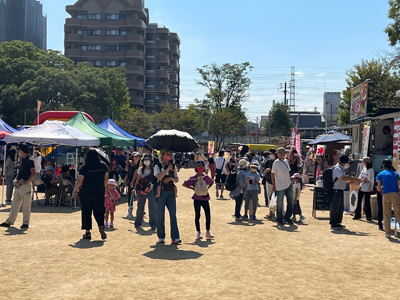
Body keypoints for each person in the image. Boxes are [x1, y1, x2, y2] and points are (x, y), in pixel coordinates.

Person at [72, 149, 109, 240]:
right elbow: (106, 179)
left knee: (86, 211)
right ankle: (101, 225)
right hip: (99, 191)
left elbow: (80, 180)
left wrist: (75, 190)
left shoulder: (84, 167)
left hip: (86, 191)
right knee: (99, 210)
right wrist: (104, 189)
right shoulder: (103, 166)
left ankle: (88, 232)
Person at [0, 144, 36, 229]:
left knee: (26, 205)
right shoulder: (23, 160)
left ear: (21, 151)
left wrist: (27, 182)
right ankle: (9, 221)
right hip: (19, 185)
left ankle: (25, 223)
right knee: (14, 204)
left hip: (24, 185)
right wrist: (16, 180)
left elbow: (33, 173)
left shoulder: (30, 160)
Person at [154, 149, 181, 244]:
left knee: (173, 214)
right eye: (167, 154)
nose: (169, 155)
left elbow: (177, 179)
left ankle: (175, 237)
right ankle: (161, 236)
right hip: (161, 192)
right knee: (160, 216)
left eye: (170, 153)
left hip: (171, 191)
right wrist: (167, 170)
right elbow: (159, 177)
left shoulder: (173, 166)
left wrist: (170, 177)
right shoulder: (158, 165)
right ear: (163, 155)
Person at [183, 160, 214, 239]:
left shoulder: (206, 177)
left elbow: (211, 182)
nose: (200, 168)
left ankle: (207, 231)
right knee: (198, 215)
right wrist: (193, 189)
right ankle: (199, 232)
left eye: (202, 166)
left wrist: (206, 189)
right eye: (199, 166)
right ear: (196, 167)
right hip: (197, 198)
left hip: (205, 198)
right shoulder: (193, 178)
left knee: (208, 215)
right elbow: (184, 184)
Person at [330, 155, 361, 230]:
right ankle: (333, 223)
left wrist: (348, 182)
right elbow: (343, 178)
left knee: (340, 208)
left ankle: (338, 222)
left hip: (340, 190)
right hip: (336, 191)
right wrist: (356, 179)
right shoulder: (337, 168)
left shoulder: (341, 168)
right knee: (335, 207)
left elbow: (341, 180)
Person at [376, 159, 400, 238]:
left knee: (386, 214)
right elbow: (398, 184)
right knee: (398, 213)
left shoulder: (380, 174)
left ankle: (388, 232)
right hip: (395, 194)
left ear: (383, 165)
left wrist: (381, 188)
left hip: (386, 194)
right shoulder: (396, 174)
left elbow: (379, 188)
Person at [271, 147, 294, 226]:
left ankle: (287, 217)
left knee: (290, 202)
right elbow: (273, 174)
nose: (285, 154)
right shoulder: (276, 162)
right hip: (280, 185)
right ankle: (279, 219)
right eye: (284, 153)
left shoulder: (286, 161)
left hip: (288, 184)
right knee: (280, 203)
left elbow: (288, 172)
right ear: (280, 154)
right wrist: (274, 185)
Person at [134, 154, 157, 230]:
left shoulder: (154, 169)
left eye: (148, 160)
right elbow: (138, 179)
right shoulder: (141, 169)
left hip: (151, 190)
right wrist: (135, 188)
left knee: (152, 208)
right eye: (145, 160)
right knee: (140, 207)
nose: (146, 161)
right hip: (142, 190)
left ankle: (153, 224)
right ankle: (138, 223)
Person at [263, 149, 277, 219]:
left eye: (272, 154)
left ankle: (279, 213)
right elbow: (264, 171)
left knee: (278, 198)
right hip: (268, 181)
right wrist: (266, 171)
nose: (271, 155)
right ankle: (271, 212)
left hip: (277, 182)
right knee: (269, 197)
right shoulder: (268, 162)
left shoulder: (278, 162)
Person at [126, 152, 141, 217]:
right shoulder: (129, 164)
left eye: (138, 157)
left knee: (139, 195)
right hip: (130, 181)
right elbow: (126, 171)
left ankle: (140, 210)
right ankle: (130, 209)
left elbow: (137, 173)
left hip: (138, 181)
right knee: (130, 196)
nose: (137, 158)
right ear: (132, 157)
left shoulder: (140, 164)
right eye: (136, 157)